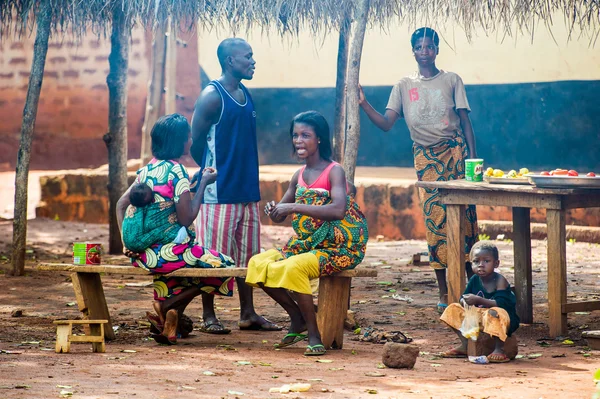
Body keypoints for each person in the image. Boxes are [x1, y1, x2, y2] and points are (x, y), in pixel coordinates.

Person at [358, 27, 478, 312]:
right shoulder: (403, 85)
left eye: (429, 46)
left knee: (466, 220)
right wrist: (363, 104)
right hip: (425, 161)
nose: (424, 51)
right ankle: (444, 291)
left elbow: (464, 121)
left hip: (455, 155)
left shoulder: (451, 80)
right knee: (435, 223)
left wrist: (473, 159)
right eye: (419, 47)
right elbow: (387, 123)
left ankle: (474, 284)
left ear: (437, 49)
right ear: (412, 51)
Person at [245, 111, 369, 356]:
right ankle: (297, 318)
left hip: (339, 247)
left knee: (294, 268)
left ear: (319, 139)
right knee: (257, 264)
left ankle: (314, 336)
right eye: (295, 135)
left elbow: (338, 209)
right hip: (308, 244)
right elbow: (280, 215)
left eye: (305, 135)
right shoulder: (298, 175)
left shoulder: (334, 171)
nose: (298, 140)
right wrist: (275, 210)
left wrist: (291, 206)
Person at [116, 113, 237, 345]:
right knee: (224, 266)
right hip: (168, 254)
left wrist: (125, 242)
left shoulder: (145, 171)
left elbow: (121, 204)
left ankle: (169, 327)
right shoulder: (176, 171)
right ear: (180, 141)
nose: (191, 140)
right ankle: (166, 306)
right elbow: (186, 218)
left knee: (178, 280)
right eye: (189, 136)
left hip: (143, 255)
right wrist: (202, 185)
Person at [190, 38, 281, 333]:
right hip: (219, 195)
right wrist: (210, 174)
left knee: (248, 259)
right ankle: (208, 315)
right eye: (248, 56)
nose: (253, 61)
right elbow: (195, 143)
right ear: (230, 61)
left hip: (247, 192)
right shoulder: (211, 96)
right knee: (211, 258)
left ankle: (248, 313)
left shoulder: (245, 93)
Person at [439, 241, 520, 363]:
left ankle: (499, 349)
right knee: (452, 309)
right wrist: (464, 301)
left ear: (496, 263)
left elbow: (502, 304)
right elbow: (463, 297)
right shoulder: (474, 279)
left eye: (486, 261)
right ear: (471, 264)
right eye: (476, 261)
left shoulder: (499, 280)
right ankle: (465, 344)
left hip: (502, 319)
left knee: (495, 312)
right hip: (480, 317)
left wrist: (478, 300)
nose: (481, 265)